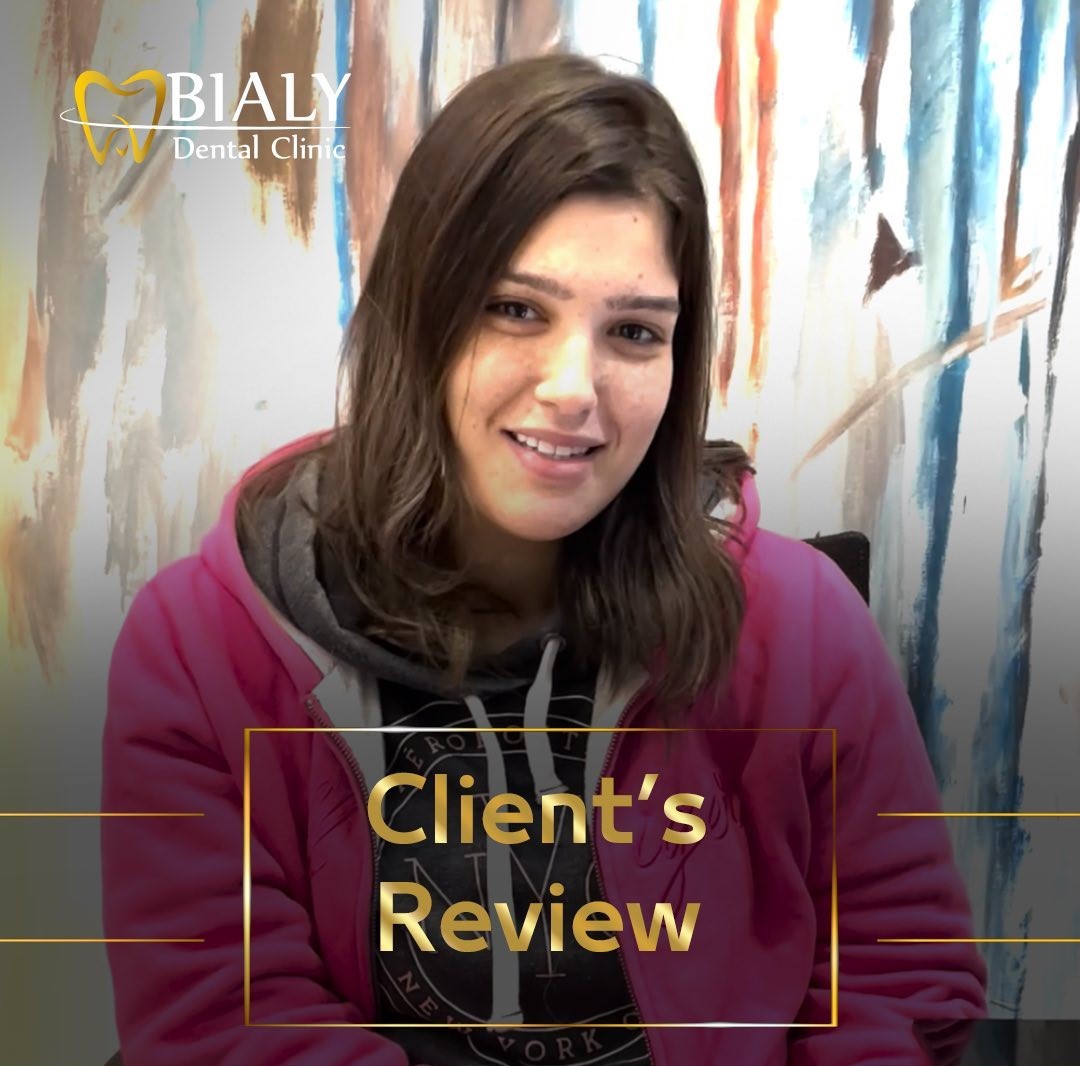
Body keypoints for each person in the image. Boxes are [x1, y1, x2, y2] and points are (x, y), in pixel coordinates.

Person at [101, 53, 986, 1066]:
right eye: (516, 309)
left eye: (634, 331)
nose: (574, 386)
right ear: (416, 317)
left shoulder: (803, 623)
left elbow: (897, 974)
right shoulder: (196, 649)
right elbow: (220, 1024)